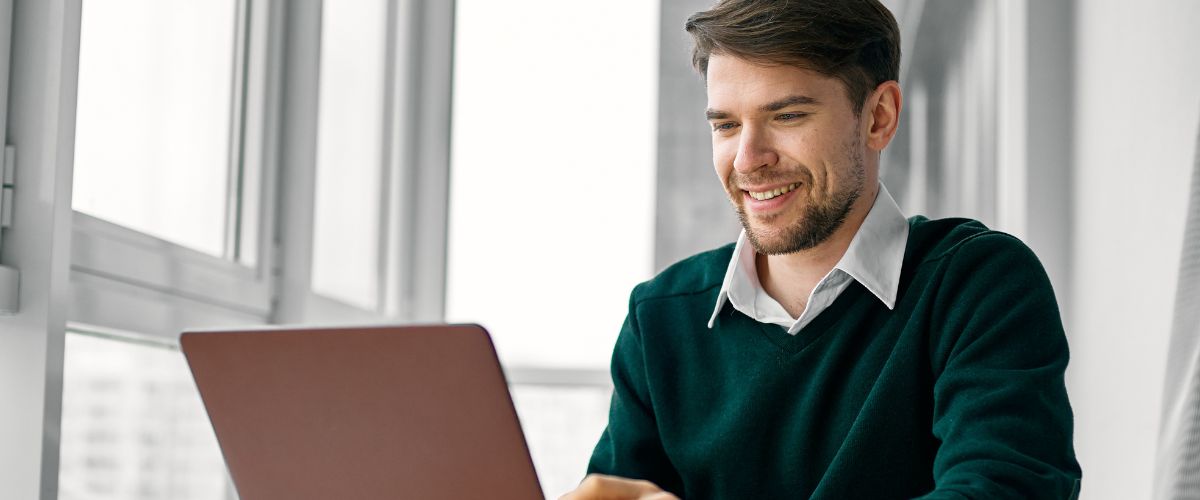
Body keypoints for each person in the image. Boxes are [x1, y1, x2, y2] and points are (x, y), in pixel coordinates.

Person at [560, 0, 1082, 498]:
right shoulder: (660, 319)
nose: (748, 159)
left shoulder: (977, 285)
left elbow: (1004, 489)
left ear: (878, 116)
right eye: (726, 124)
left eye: (787, 116)